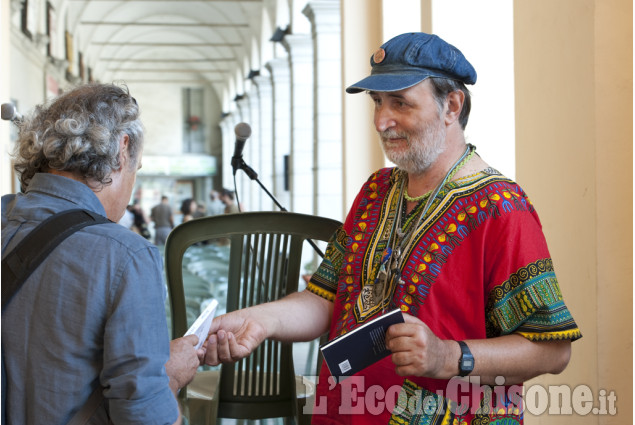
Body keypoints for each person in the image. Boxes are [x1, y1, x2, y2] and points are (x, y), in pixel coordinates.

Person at [203, 33, 581, 424]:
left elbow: (553, 350)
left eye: (400, 102)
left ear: (452, 105)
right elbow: (326, 297)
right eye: (378, 102)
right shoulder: (376, 191)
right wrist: (260, 322)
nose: (382, 121)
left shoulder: (501, 208)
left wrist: (448, 357)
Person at [1, 83, 203, 425]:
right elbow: (146, 419)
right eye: (135, 170)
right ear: (122, 150)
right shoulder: (126, 255)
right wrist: (170, 376)